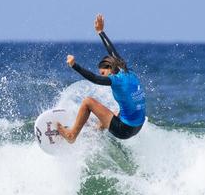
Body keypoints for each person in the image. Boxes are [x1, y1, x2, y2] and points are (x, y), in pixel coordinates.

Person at [58, 14, 146, 143]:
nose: (103, 76)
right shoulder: (129, 72)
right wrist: (101, 32)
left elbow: (94, 78)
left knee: (88, 102)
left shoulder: (116, 80)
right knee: (116, 112)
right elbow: (113, 53)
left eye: (103, 73)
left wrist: (74, 65)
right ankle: (97, 129)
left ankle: (72, 135)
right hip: (138, 126)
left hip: (124, 130)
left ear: (110, 68)